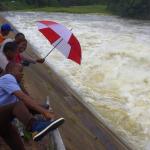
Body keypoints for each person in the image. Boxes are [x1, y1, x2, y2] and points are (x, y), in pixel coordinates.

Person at [0, 62, 64, 150]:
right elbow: (23, 98)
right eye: (20, 71)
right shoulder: (7, 78)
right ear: (11, 70)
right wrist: (44, 112)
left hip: (4, 123)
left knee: (18, 146)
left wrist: (44, 108)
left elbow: (27, 105)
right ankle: (35, 127)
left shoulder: (13, 86)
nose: (22, 74)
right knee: (18, 105)